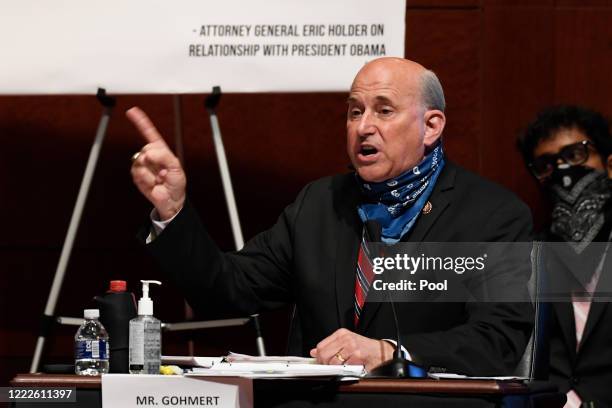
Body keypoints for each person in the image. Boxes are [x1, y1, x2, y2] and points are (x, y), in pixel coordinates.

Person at [127, 57, 533, 375]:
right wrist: (172, 211)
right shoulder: (320, 203)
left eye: (384, 111)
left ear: (431, 126)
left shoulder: (493, 215)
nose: (363, 127)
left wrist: (389, 352)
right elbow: (227, 289)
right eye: (355, 112)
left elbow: (497, 341)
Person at [518, 105, 612, 407]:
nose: (563, 172)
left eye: (575, 155)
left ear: (609, 165)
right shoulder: (530, 256)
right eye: (547, 164)